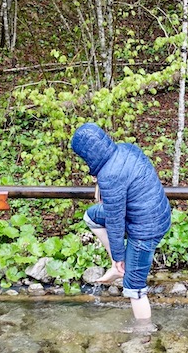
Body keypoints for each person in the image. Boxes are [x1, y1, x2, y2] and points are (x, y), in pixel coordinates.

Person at [71, 123, 171, 332]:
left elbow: (115, 222)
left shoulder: (110, 175)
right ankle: (120, 268)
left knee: (134, 288)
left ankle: (144, 336)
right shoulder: (126, 149)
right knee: (92, 217)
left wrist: (118, 256)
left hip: (146, 228)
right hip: (155, 213)